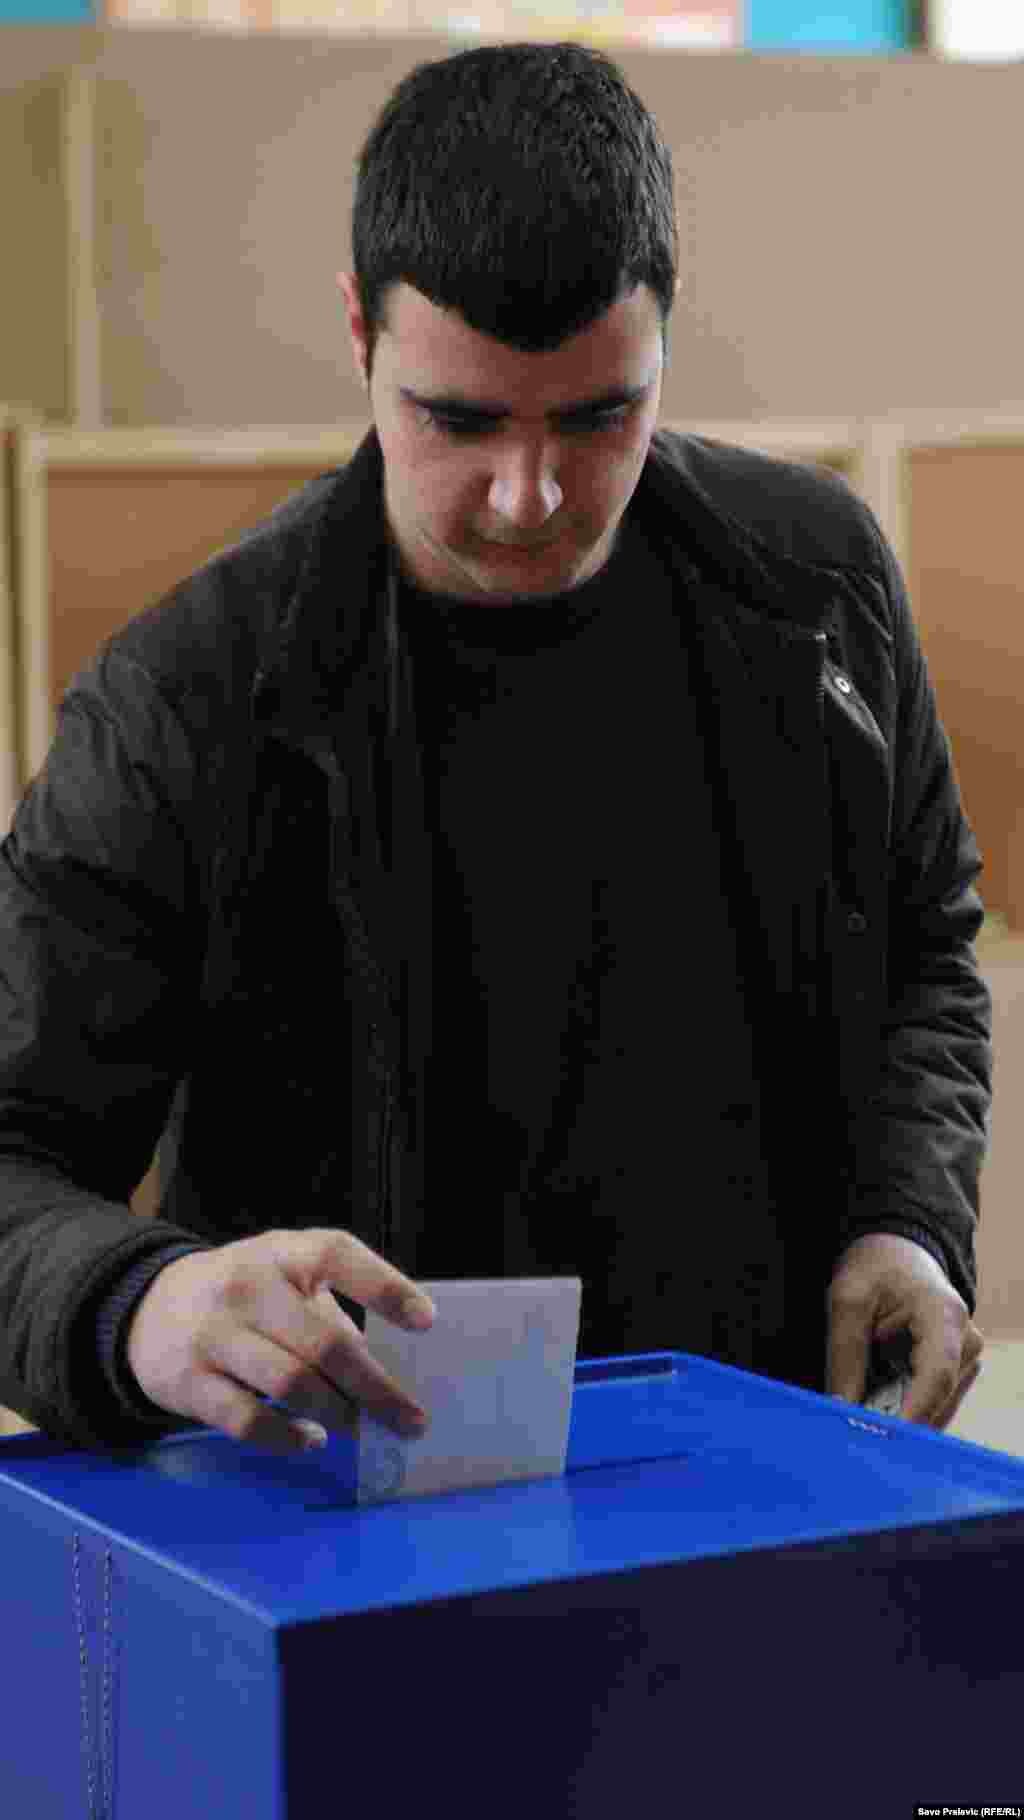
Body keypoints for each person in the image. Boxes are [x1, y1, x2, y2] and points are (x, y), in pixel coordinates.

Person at [0, 42, 989, 1459]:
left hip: (768, 1463)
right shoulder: (188, 699)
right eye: (457, 420)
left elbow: (924, 944)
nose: (530, 496)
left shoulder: (816, 591)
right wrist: (140, 1300)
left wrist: (909, 1220)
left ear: (664, 340)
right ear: (361, 332)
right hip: (352, 1511)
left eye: (600, 417)